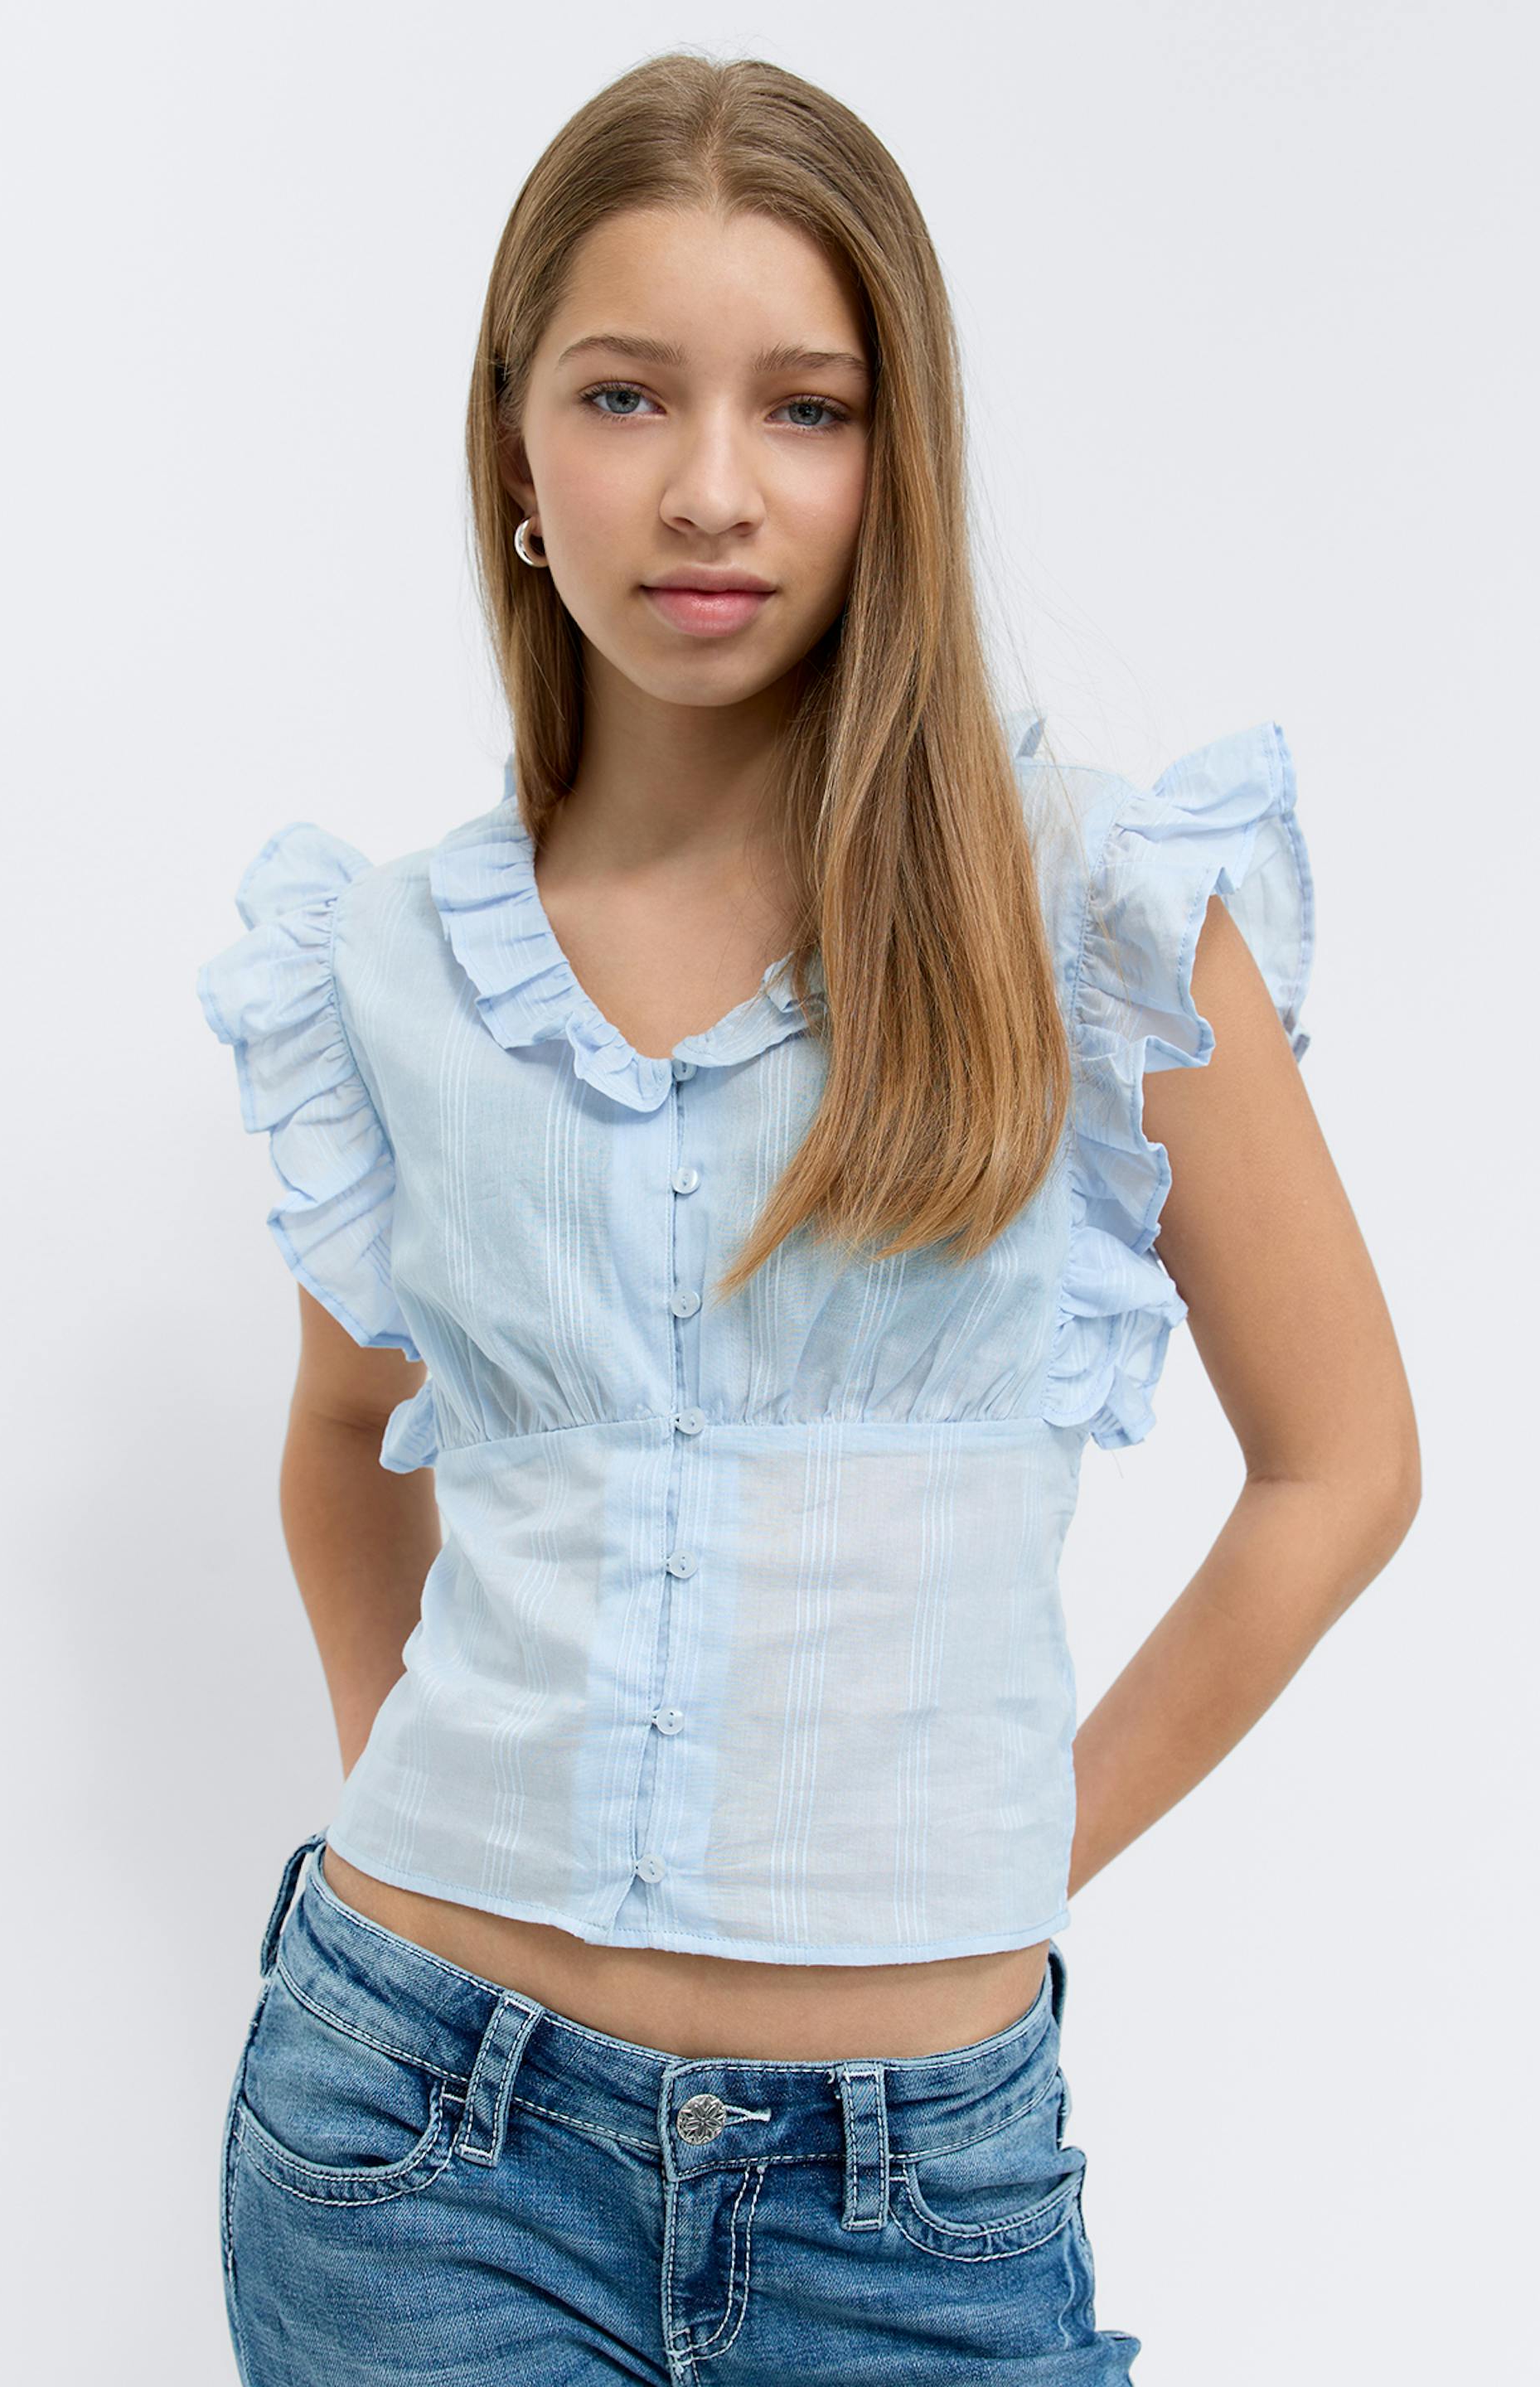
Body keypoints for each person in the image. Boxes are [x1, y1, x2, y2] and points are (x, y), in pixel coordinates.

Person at [196, 51, 1418, 2387]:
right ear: (517, 450)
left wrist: (1019, 1859)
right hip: (414, 2148)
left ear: (896, 459)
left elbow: (1344, 1465)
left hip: (916, 2201)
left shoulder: (1089, 912)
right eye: (625, 395)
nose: (712, 486)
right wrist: (414, 1797)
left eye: (807, 407)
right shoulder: (391, 960)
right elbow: (347, 1435)